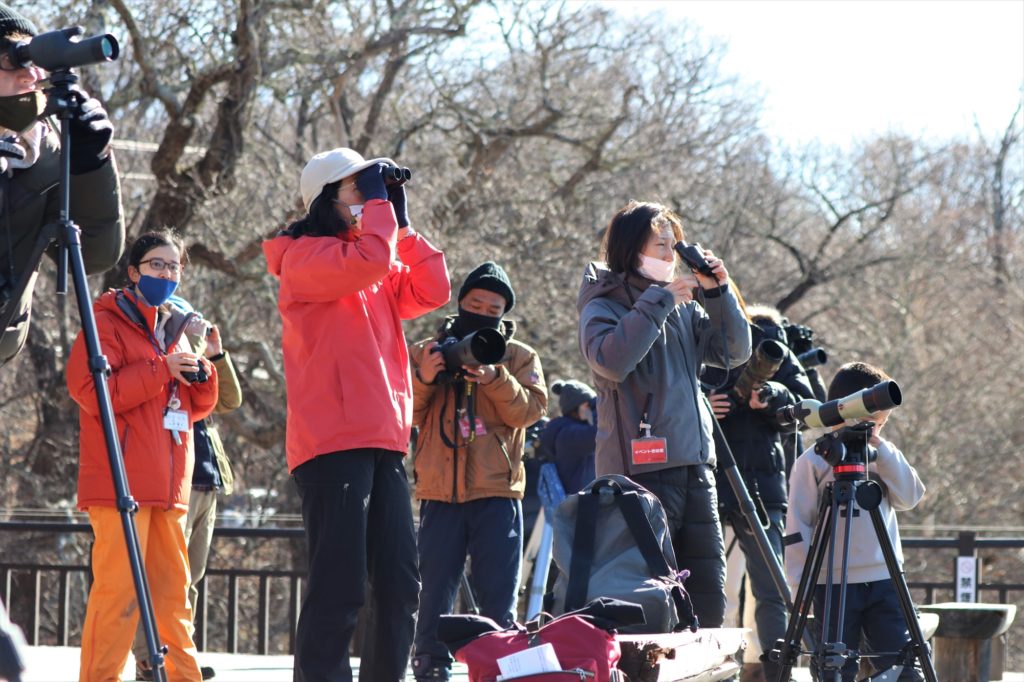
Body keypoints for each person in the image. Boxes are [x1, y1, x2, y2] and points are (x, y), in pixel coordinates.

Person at [263, 147, 450, 682]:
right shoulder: (303, 258)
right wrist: (382, 215)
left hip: (384, 439)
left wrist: (402, 225)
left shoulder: (373, 254)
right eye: (357, 188)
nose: (370, 198)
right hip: (331, 443)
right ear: (325, 200)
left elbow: (432, 288)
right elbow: (369, 261)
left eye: (373, 188)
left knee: (399, 585)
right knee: (340, 586)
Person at [577, 201, 751, 629]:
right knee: (647, 597)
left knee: (707, 597)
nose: (671, 255)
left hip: (695, 465)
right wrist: (659, 301)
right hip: (638, 474)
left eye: (675, 246)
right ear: (631, 248)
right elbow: (612, 361)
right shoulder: (603, 305)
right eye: (661, 245)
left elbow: (734, 352)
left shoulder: (684, 306)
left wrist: (719, 293)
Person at [66, 230, 218, 682]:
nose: (167, 274)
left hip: (170, 488)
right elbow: (91, 391)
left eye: (174, 267)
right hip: (121, 487)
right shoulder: (105, 320)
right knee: (119, 596)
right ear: (133, 272)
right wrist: (160, 368)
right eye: (157, 265)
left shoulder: (176, 328)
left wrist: (204, 372)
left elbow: (194, 408)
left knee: (174, 598)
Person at [409, 261, 547, 681]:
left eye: (493, 309)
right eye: (475, 305)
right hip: (439, 491)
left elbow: (530, 412)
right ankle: (430, 663)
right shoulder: (426, 350)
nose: (483, 313)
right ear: (460, 303)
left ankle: (499, 667)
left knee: (498, 593)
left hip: (498, 492)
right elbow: (404, 414)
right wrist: (426, 377)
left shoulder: (519, 356)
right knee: (434, 589)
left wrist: (493, 377)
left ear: (504, 314)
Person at [785, 362, 927, 681]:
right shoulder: (813, 462)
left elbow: (910, 496)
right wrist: (799, 587)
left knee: (903, 665)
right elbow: (797, 526)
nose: (877, 430)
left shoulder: (882, 456)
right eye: (874, 422)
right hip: (831, 582)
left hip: (885, 577)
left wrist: (881, 450)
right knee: (835, 669)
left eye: (882, 424)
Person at [0, 3, 124, 367]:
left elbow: (95, 255)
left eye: (33, 61)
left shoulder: (44, 153)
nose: (30, 75)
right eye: (12, 59)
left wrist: (91, 163)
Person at [703, 301, 815, 682]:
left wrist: (772, 397)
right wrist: (705, 403)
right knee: (722, 588)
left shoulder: (774, 345)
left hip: (757, 488)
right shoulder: (710, 338)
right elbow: (678, 387)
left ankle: (774, 673)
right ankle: (719, 671)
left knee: (766, 590)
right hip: (715, 479)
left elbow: (805, 403)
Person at [132, 295, 242, 682]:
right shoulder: (159, 358)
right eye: (182, 322)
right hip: (173, 481)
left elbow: (230, 400)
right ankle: (148, 658)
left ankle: (181, 656)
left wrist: (215, 354)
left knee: (188, 579)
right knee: (159, 576)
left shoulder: (198, 363)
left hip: (208, 481)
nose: (190, 329)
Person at [540, 379, 597, 495]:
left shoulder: (567, 429)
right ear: (575, 407)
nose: (590, 409)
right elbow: (599, 434)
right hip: (577, 500)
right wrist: (597, 407)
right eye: (588, 405)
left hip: (575, 498)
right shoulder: (570, 434)